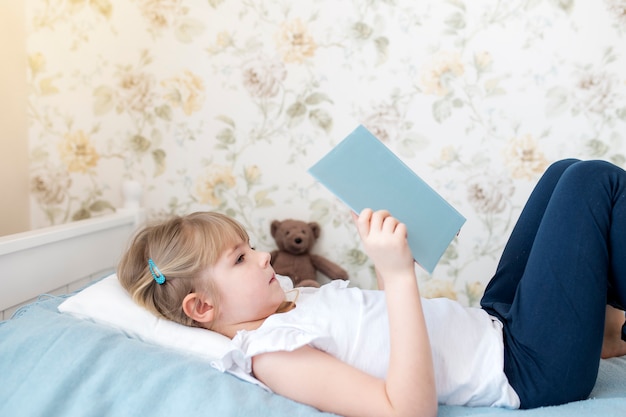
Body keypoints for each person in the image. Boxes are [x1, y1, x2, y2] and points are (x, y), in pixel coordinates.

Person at [118, 158, 626, 417]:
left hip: (497, 322)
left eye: (251, 246)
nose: (265, 255)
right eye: (241, 258)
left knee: (565, 173)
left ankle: (604, 331)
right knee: (594, 181)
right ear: (202, 306)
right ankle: (601, 331)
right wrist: (398, 275)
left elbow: (380, 325)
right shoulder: (272, 352)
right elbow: (405, 410)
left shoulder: (296, 303)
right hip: (527, 367)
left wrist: (383, 242)